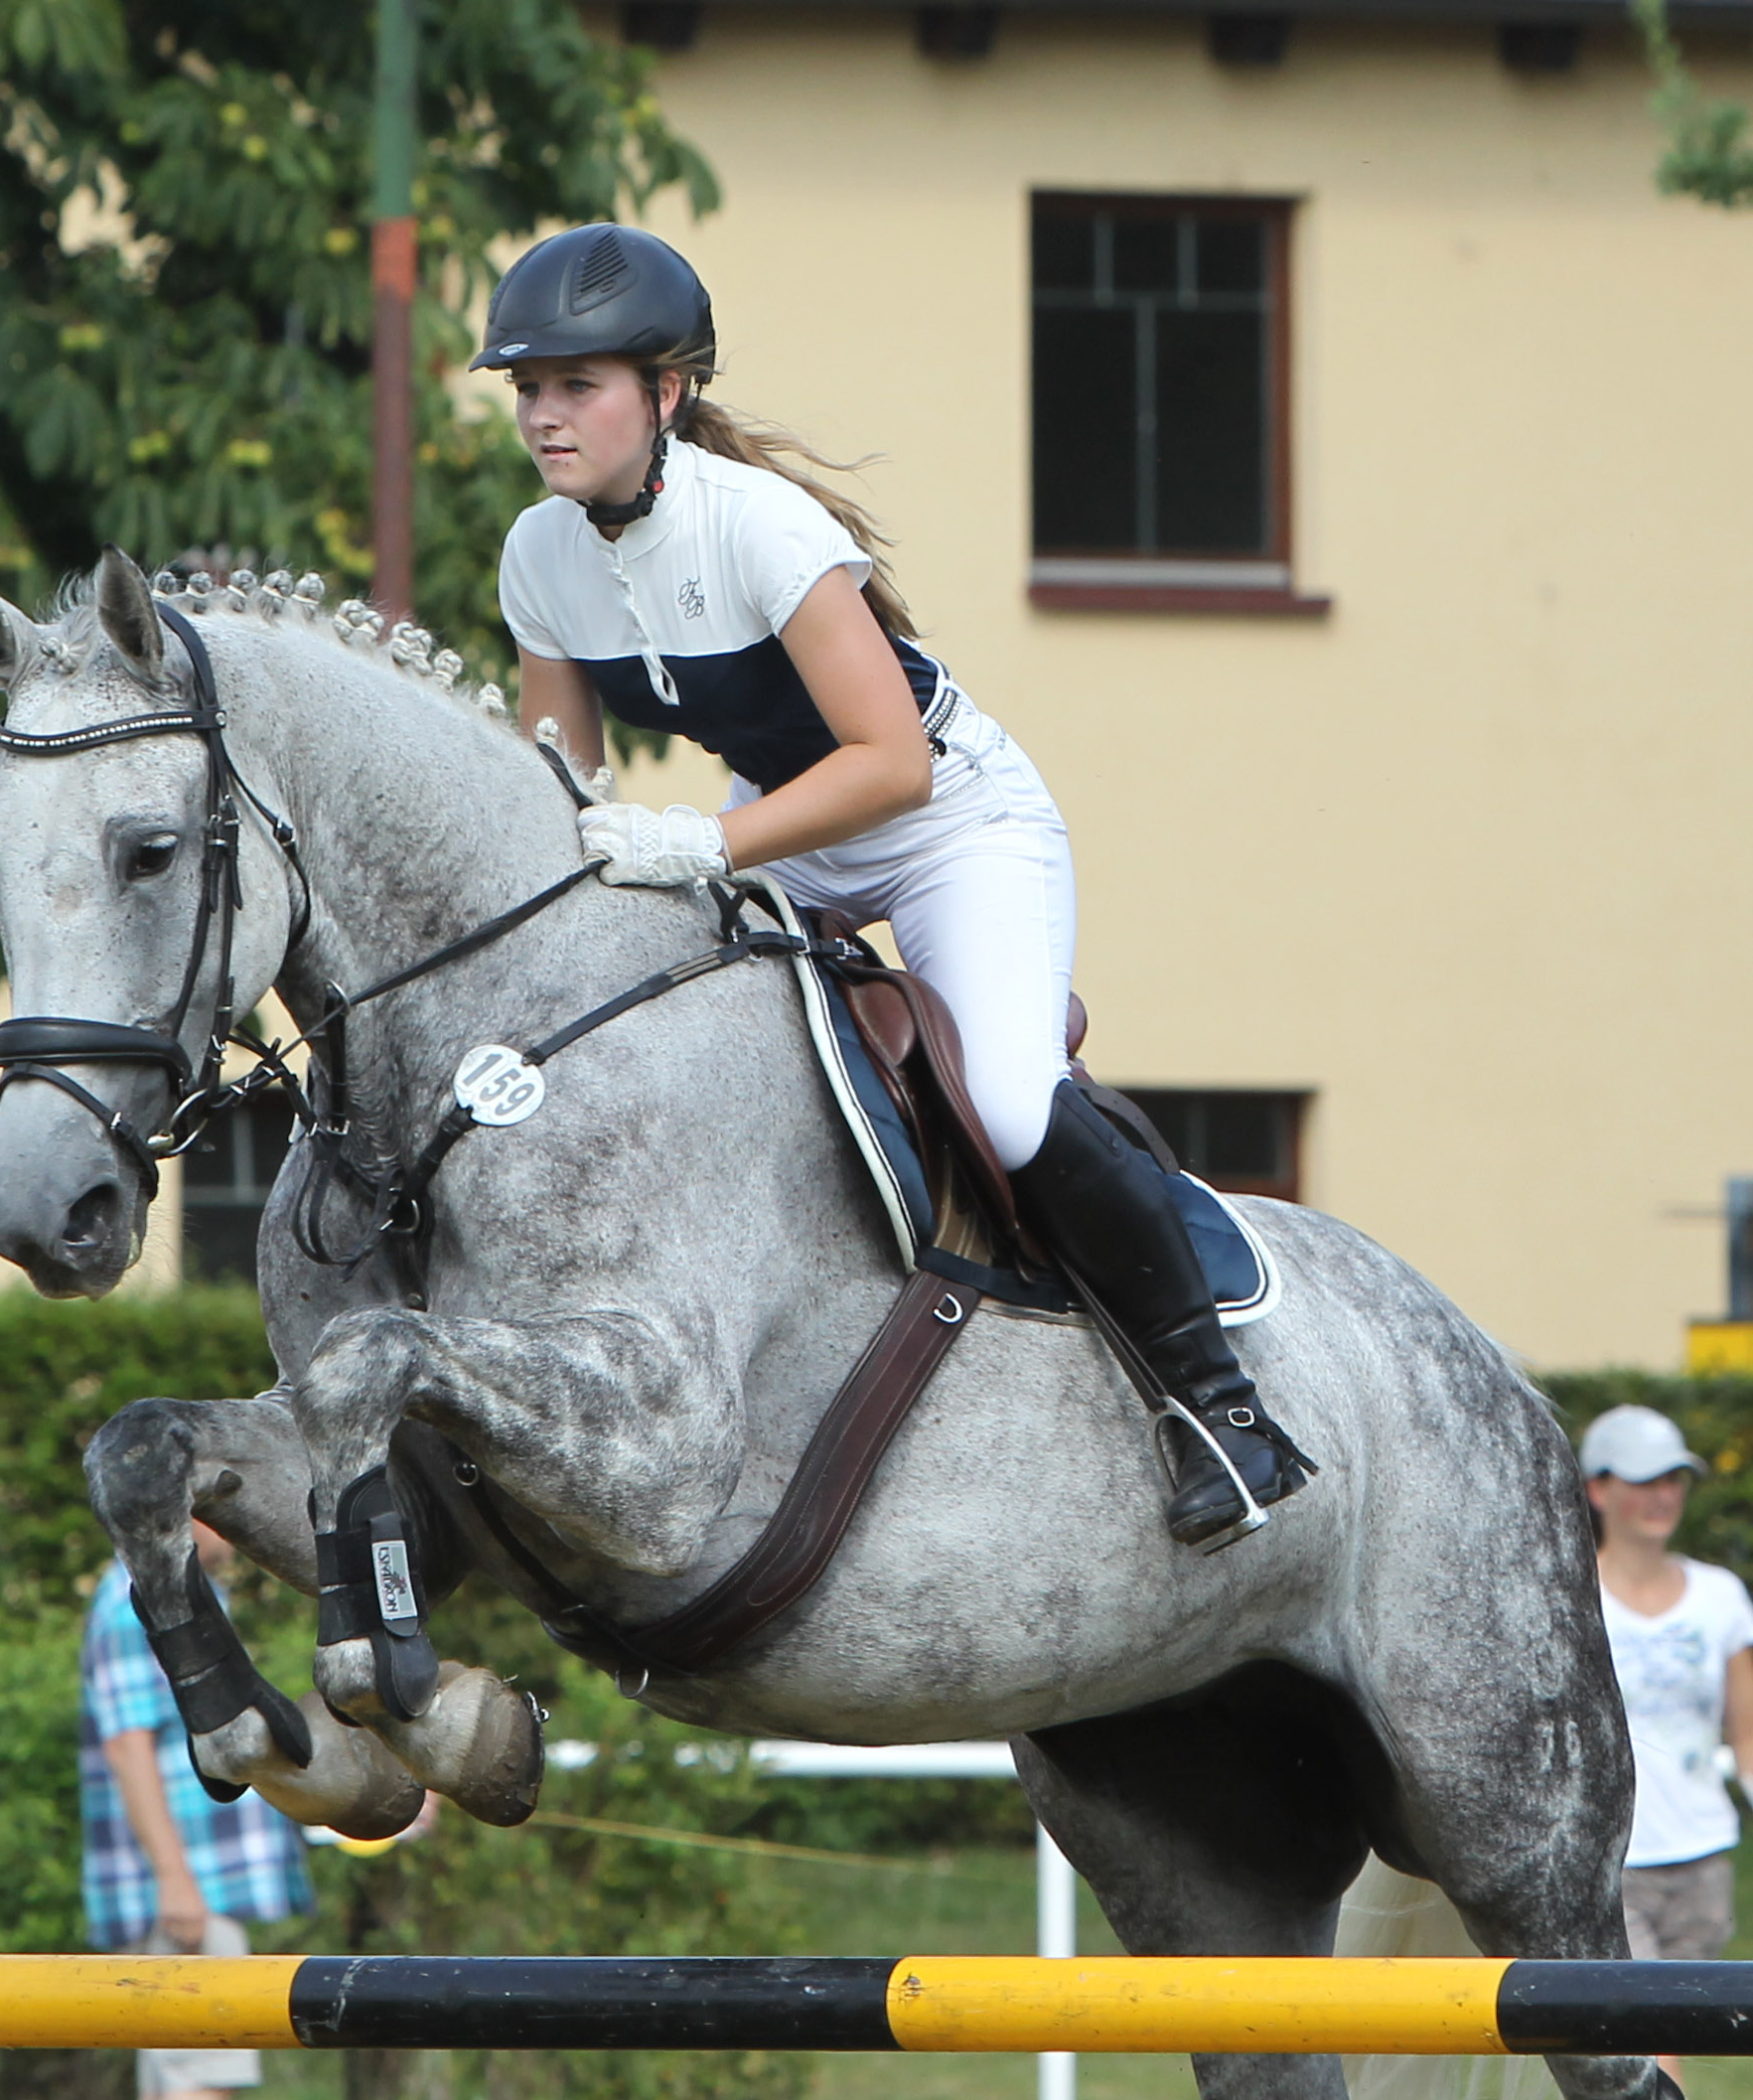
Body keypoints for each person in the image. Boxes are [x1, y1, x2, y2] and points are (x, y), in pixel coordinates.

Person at [473, 223, 1315, 1549]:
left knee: (1012, 1107)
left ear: (668, 392)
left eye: (578, 384)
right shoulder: (539, 555)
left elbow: (892, 763)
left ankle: (1219, 1406)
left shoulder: (760, 524)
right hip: (785, 828)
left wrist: (701, 846)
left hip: (948, 820)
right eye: (528, 386)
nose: (543, 412)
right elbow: (566, 800)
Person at [1582, 1403, 1753, 2087]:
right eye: (1644, 1479)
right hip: (1610, 1860)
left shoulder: (1720, 1597)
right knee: (1651, 2035)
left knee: (1667, 2033)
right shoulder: (1572, 1593)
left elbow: (1749, 1731)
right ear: (1598, 1489)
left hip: (1703, 1862)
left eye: (1675, 1478)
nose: (1663, 1495)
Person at [80, 1520, 313, 2100]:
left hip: (199, 1887)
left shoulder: (190, 1601)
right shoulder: (135, 1607)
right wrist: (174, 1879)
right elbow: (127, 1745)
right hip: (187, 1895)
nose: (235, 1516)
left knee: (186, 2078)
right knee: (199, 2081)